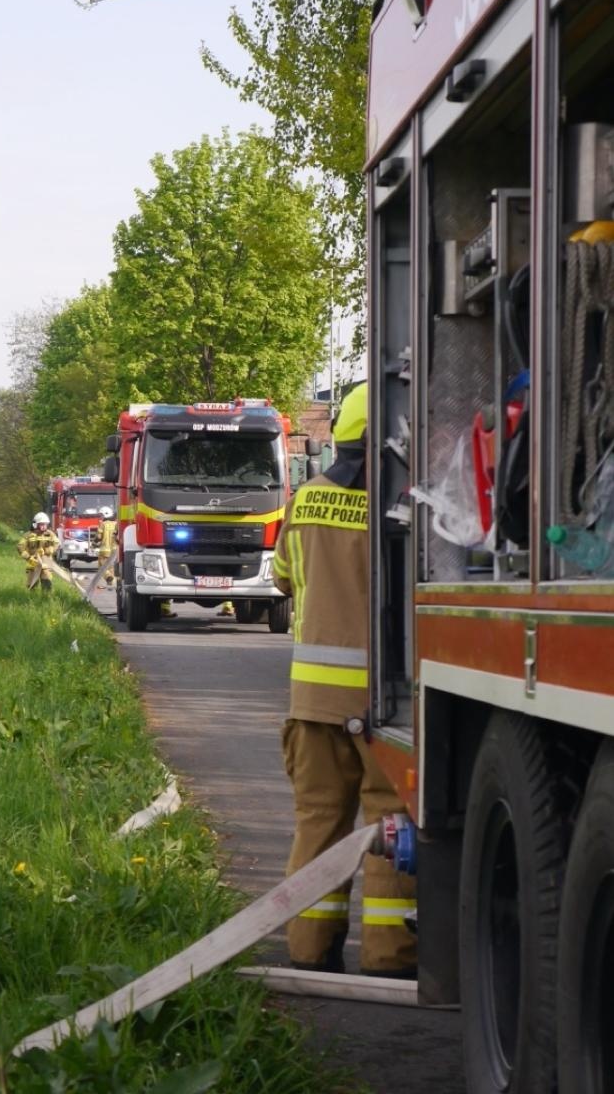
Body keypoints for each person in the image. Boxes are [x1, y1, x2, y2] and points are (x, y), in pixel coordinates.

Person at [273, 382, 417, 978]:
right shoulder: (408, 505)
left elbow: (284, 579)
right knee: (390, 827)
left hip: (313, 704)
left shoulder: (306, 500)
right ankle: (389, 957)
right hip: (388, 704)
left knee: (318, 825)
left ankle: (309, 952)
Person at [18, 512, 58, 592]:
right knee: (32, 586)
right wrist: (29, 558)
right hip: (33, 564)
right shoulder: (28, 535)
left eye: (45, 524)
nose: (44, 526)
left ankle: (46, 600)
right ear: (35, 524)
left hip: (46, 565)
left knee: (47, 585)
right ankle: (32, 600)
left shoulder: (50, 534)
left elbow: (57, 543)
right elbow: (20, 547)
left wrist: (50, 550)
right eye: (41, 524)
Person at [96, 506, 117, 587]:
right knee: (111, 566)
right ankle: (110, 581)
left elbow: (98, 537)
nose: (100, 517)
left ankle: (108, 576)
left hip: (104, 550)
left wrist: (93, 544)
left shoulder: (103, 524)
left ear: (105, 515)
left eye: (101, 515)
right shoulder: (116, 524)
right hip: (114, 550)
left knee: (102, 566)